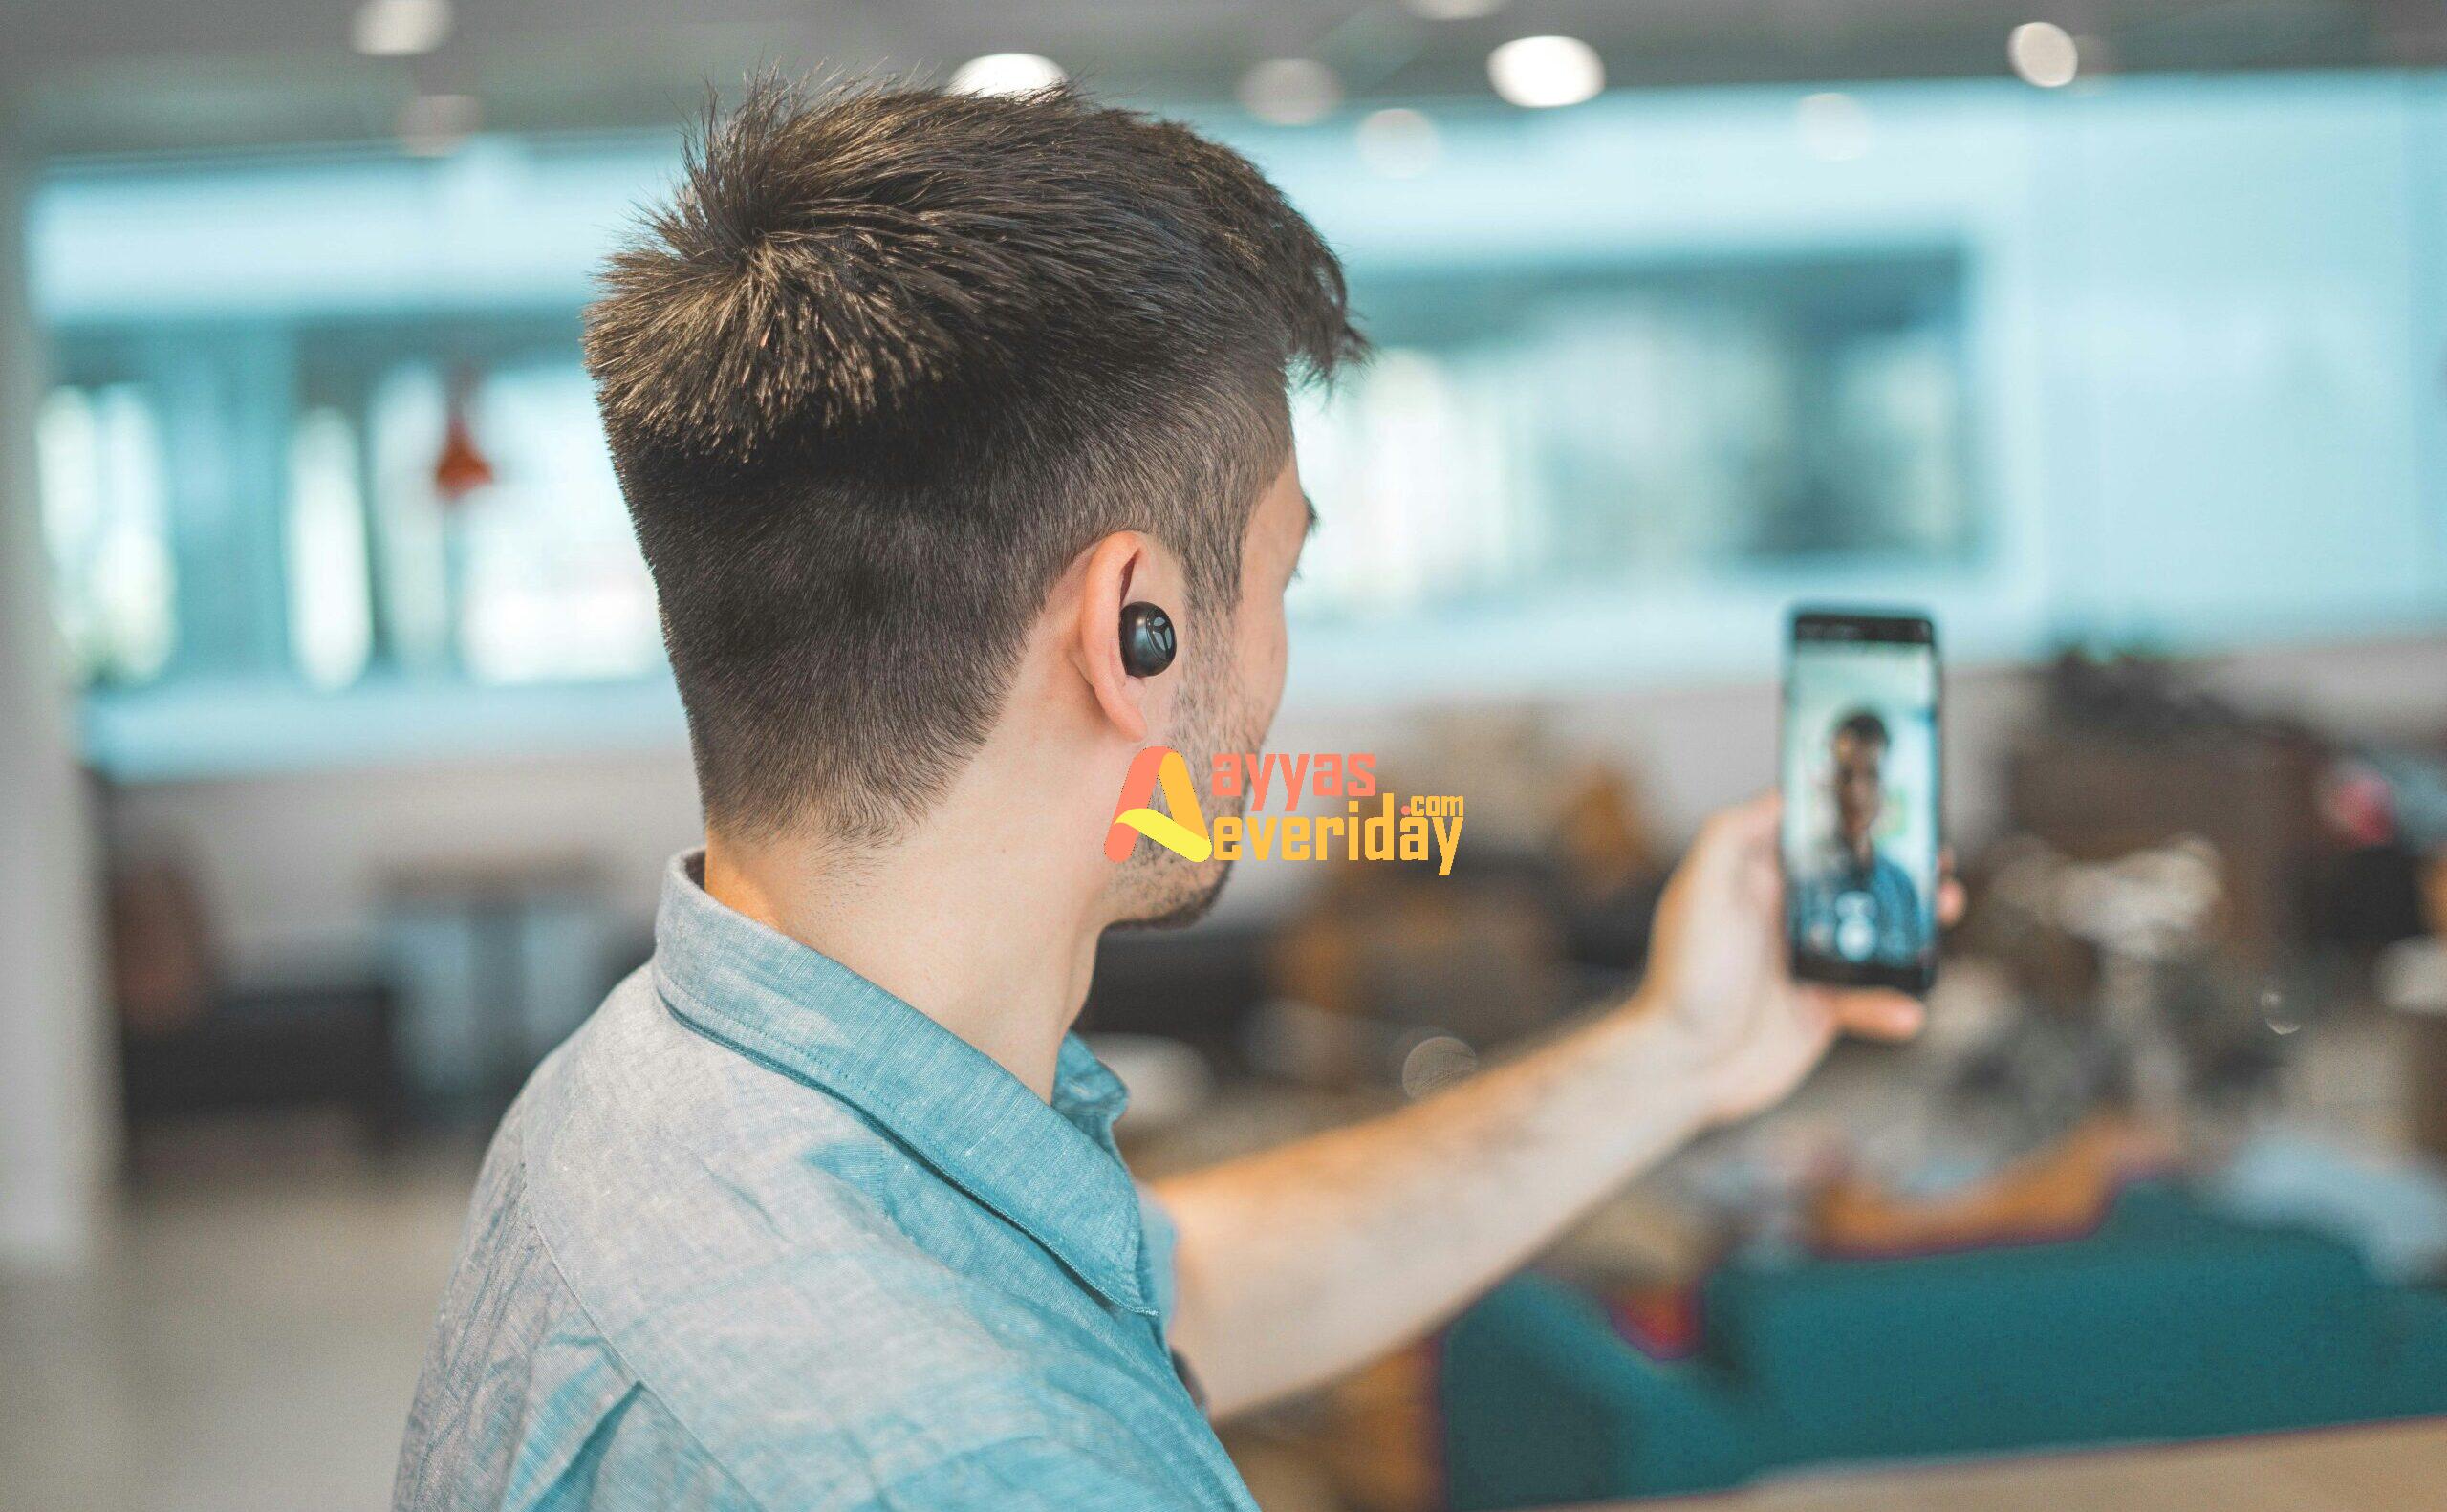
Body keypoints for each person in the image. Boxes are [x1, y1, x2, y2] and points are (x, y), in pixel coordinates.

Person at [392, 78, 1953, 1512]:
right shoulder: (990, 1464)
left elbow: (1174, 1298)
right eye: (1284, 573)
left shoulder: (642, 1090)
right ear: (1135, 629)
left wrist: (1677, 1050)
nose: (1282, 664)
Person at [1790, 708, 1929, 966]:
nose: (1856, 793)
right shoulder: (1799, 878)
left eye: (1871, 775)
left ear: (1885, 786)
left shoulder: (1902, 885)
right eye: (1846, 776)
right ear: (1830, 782)